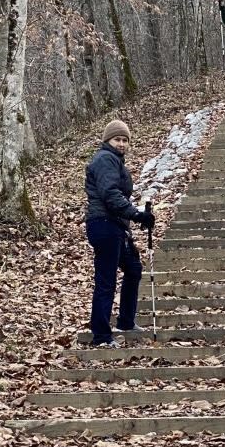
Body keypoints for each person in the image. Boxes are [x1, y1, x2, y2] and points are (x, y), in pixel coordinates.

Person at [84, 120, 155, 347]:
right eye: (117, 139)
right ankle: (101, 336)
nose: (122, 143)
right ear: (108, 141)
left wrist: (135, 217)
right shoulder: (105, 159)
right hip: (104, 224)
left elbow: (116, 197)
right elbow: (110, 194)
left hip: (115, 225)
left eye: (125, 140)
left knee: (133, 268)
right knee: (106, 280)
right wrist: (136, 215)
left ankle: (125, 321)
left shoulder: (115, 161)